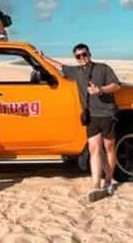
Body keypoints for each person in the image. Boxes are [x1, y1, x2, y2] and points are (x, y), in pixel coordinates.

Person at [40, 43, 121, 202]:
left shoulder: (103, 68)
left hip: (107, 113)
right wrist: (42, 57)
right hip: (91, 116)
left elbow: (116, 85)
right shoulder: (76, 72)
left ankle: (109, 181)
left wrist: (101, 90)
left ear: (89, 53)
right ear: (76, 58)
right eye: (78, 56)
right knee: (94, 149)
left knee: (109, 148)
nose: (82, 58)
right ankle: (96, 185)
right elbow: (60, 66)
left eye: (84, 54)